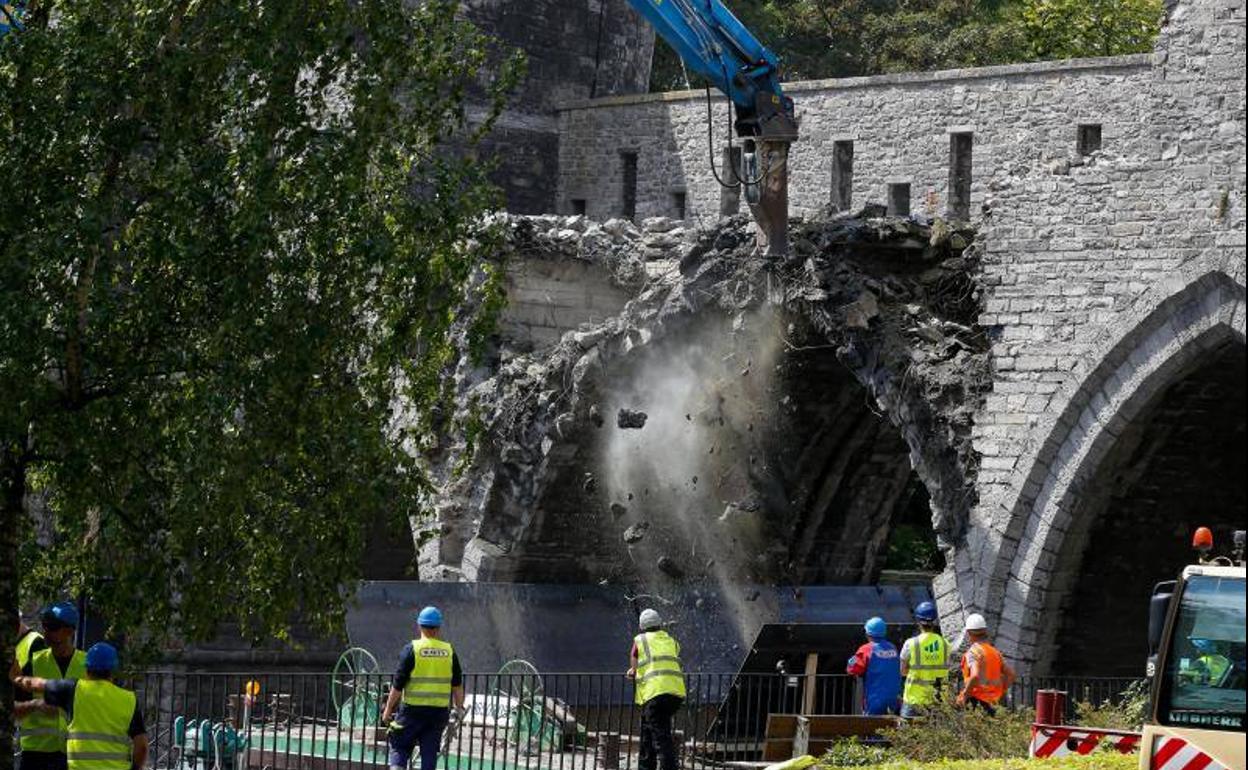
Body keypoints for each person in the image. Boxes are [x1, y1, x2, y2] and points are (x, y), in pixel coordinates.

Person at [14, 642, 148, 770]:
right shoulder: (129, 699)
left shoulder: (73, 689)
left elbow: (35, 684)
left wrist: (16, 678)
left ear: (87, 668)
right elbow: (142, 746)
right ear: (113, 670)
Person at [379, 606, 465, 770]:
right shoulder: (449, 651)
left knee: (399, 745)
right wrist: (459, 708)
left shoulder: (412, 649)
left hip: (412, 711)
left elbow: (398, 685)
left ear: (419, 626)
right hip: (438, 713)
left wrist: (388, 708)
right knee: (429, 752)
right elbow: (457, 685)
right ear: (438, 628)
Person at [14, 602, 86, 770]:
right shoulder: (34, 662)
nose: (46, 631)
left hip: (74, 755)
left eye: (52, 627)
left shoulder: (87, 666)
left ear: (70, 631)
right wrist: (34, 705)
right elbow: (14, 708)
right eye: (44, 626)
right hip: (36, 756)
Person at [627, 608, 686, 770]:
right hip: (675, 693)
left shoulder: (641, 640)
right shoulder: (671, 640)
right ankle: (645, 766)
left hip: (655, 693)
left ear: (642, 626)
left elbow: (634, 656)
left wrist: (633, 670)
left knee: (661, 737)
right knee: (648, 731)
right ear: (659, 624)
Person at [955, 613, 1016, 715]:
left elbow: (975, 676)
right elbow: (1011, 674)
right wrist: (1001, 691)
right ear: (985, 631)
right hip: (994, 703)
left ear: (969, 633)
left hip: (976, 703)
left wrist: (965, 695)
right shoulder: (995, 652)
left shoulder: (973, 652)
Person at [899, 601, 948, 717]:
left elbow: (903, 671)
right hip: (938, 700)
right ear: (935, 621)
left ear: (918, 621)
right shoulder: (945, 644)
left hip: (914, 699)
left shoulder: (911, 644)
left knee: (907, 728)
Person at [845, 616, 901, 716]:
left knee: (870, 724)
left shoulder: (866, 649)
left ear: (868, 633)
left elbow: (852, 669)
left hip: (874, 700)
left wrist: (851, 660)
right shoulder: (893, 648)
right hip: (893, 700)